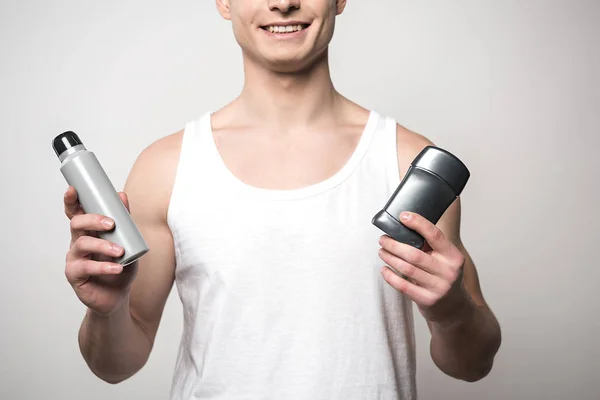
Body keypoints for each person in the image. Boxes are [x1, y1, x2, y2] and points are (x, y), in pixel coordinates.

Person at [62, 1, 502, 399]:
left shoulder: (407, 162)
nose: (283, 2)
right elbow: (115, 366)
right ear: (224, 2)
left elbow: (472, 364)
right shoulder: (164, 168)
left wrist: (450, 312)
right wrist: (107, 312)